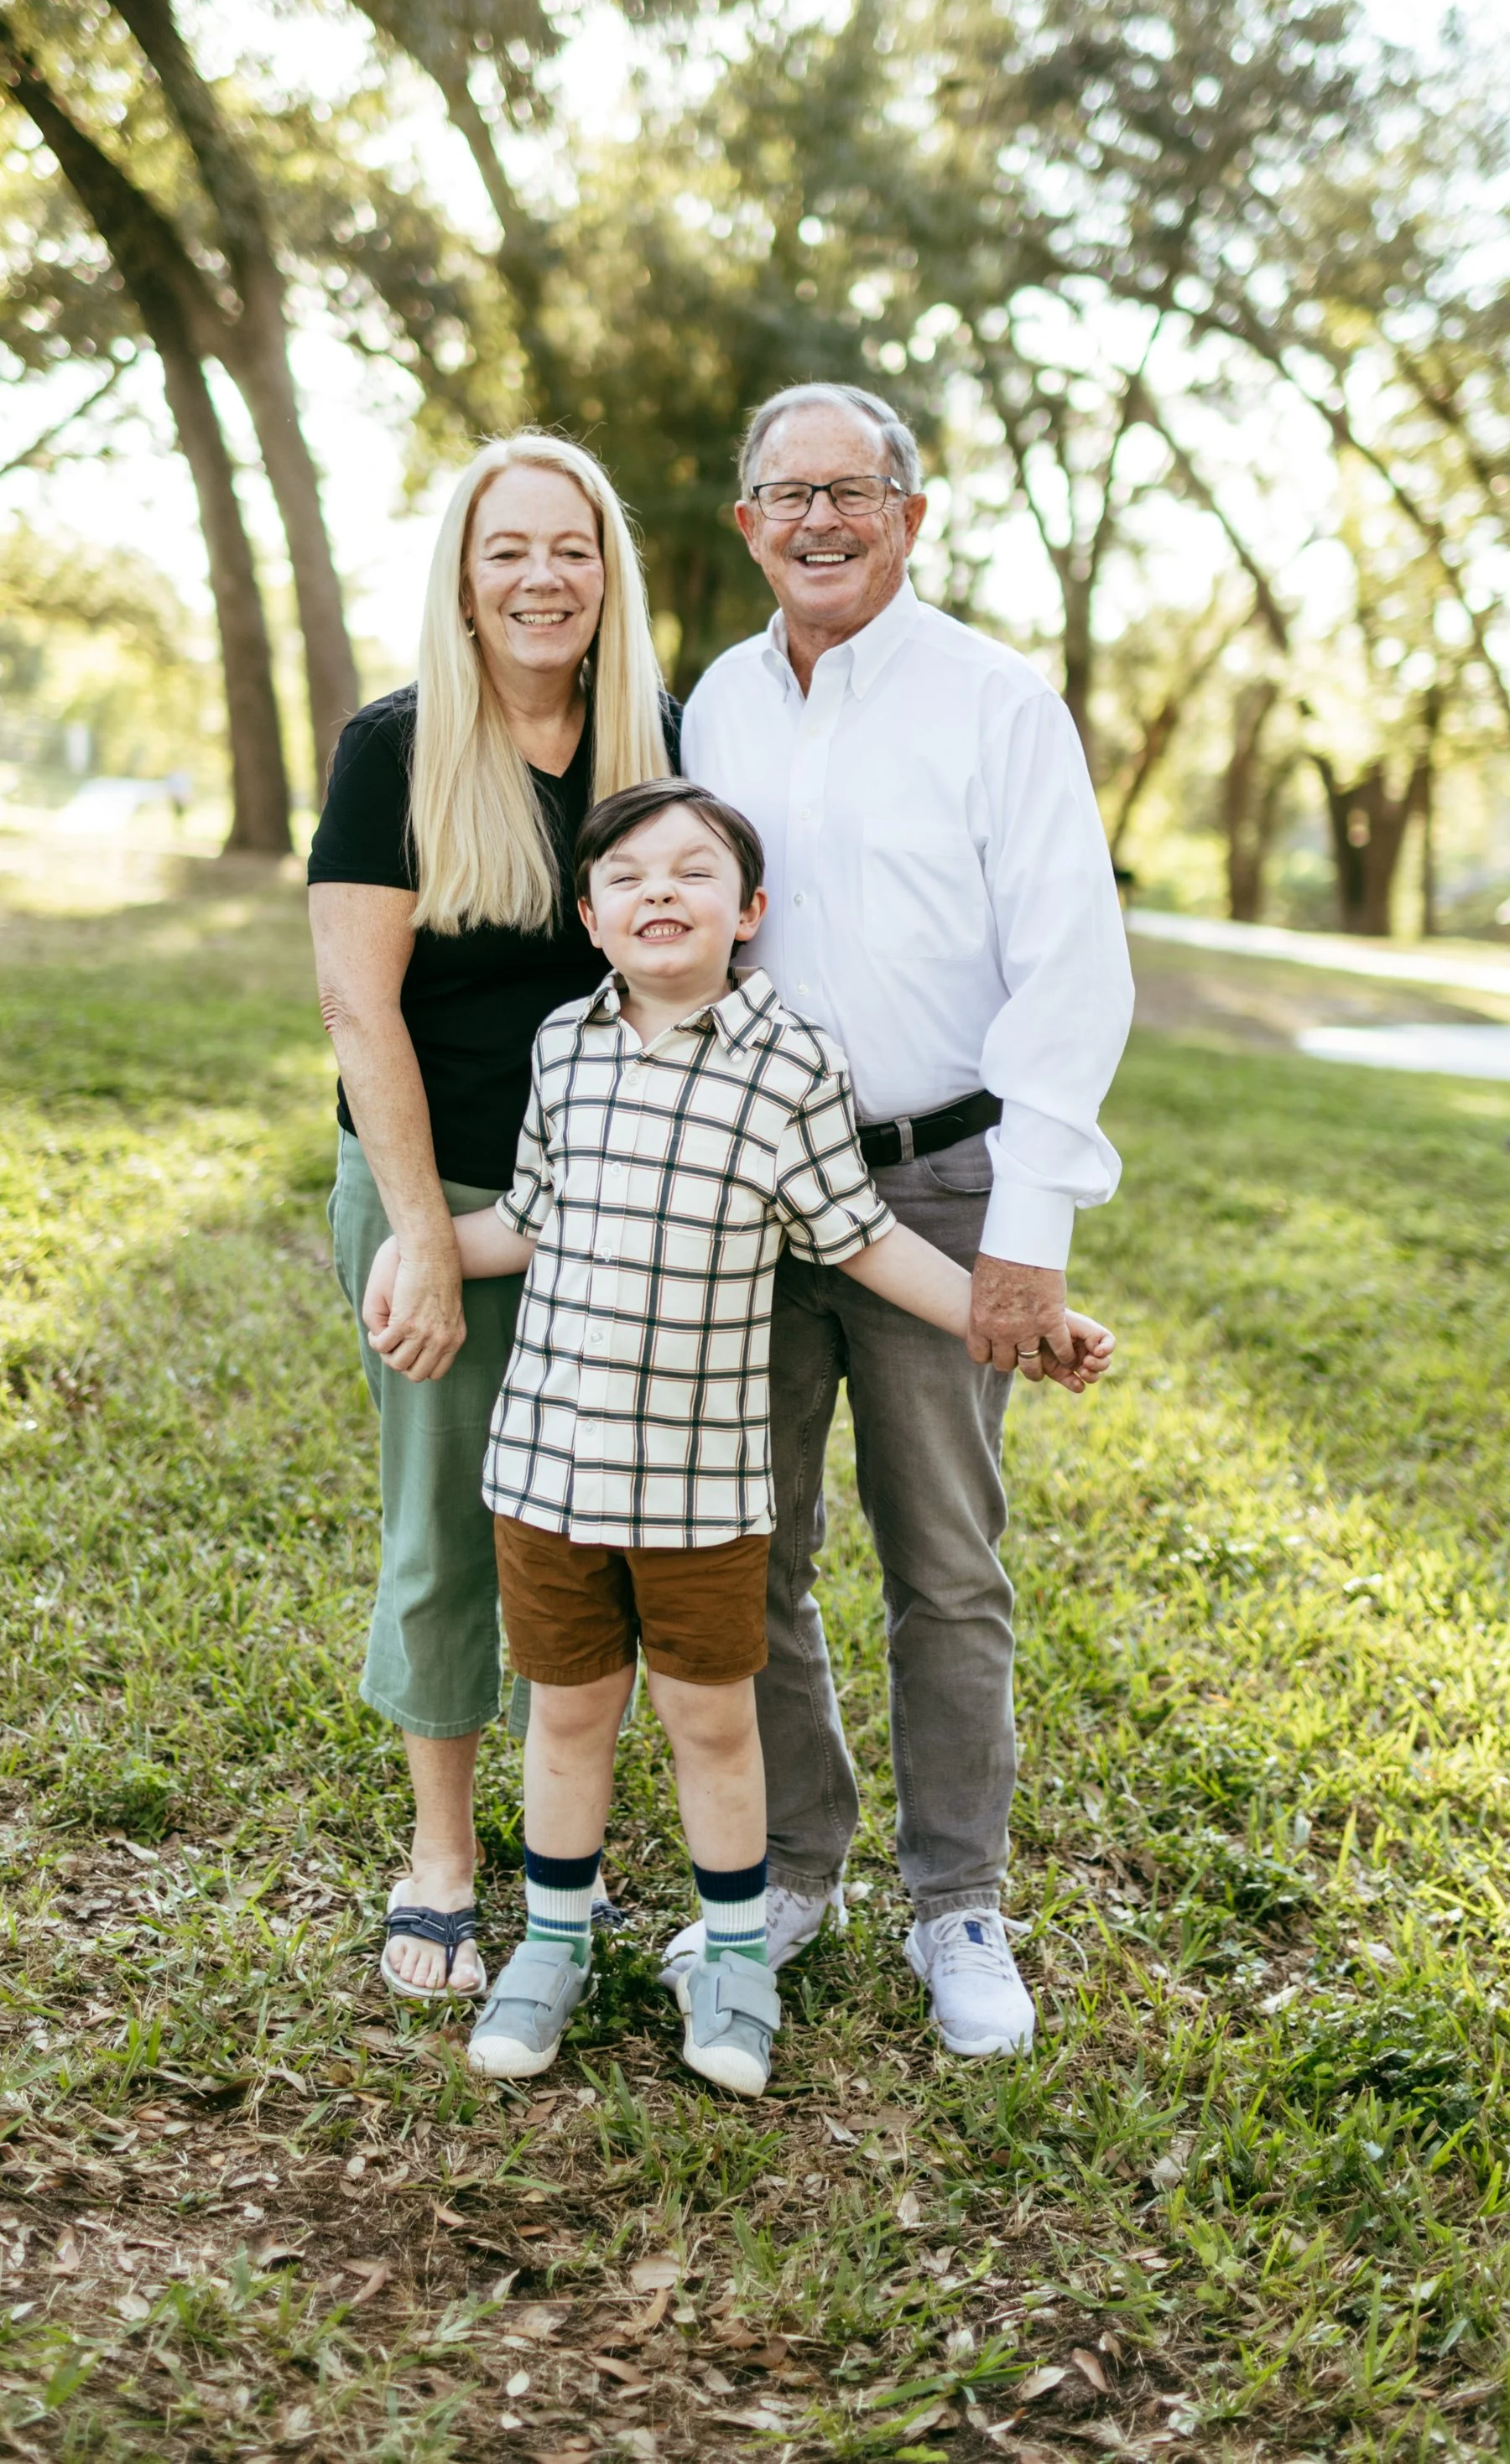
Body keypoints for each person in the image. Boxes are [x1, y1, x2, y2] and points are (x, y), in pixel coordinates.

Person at [429, 781, 1111, 2097]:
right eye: (626, 876)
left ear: (749, 913)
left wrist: (1022, 1316)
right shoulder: (561, 1047)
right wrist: (416, 1250)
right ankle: (549, 1945)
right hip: (550, 1472)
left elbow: (861, 1238)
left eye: (694, 873)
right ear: (588, 913)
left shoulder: (790, 1061)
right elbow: (525, 1218)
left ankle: (738, 1957)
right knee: (566, 1720)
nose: (659, 894)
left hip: (700, 1484)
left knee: (712, 1724)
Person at [680, 382, 1134, 2057]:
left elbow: (1070, 971)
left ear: (909, 514)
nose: (817, 520)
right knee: (758, 1543)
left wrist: (1028, 1229)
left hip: (941, 1181)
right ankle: (788, 1871)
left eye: (851, 491)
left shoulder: (995, 705)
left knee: (944, 1559)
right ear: (746, 524)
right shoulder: (708, 703)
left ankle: (958, 1904)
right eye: (784, 494)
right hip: (749, 1183)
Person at [307, 435, 675, 2002]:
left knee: (597, 1536)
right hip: (439, 1191)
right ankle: (444, 1859)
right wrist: (420, 1238)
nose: (542, 578)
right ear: (464, 575)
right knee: (451, 1525)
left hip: (616, 1204)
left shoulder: (654, 744)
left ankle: (572, 1850)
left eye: (572, 548)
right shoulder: (394, 750)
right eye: (508, 549)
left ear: (610, 574)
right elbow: (354, 1004)